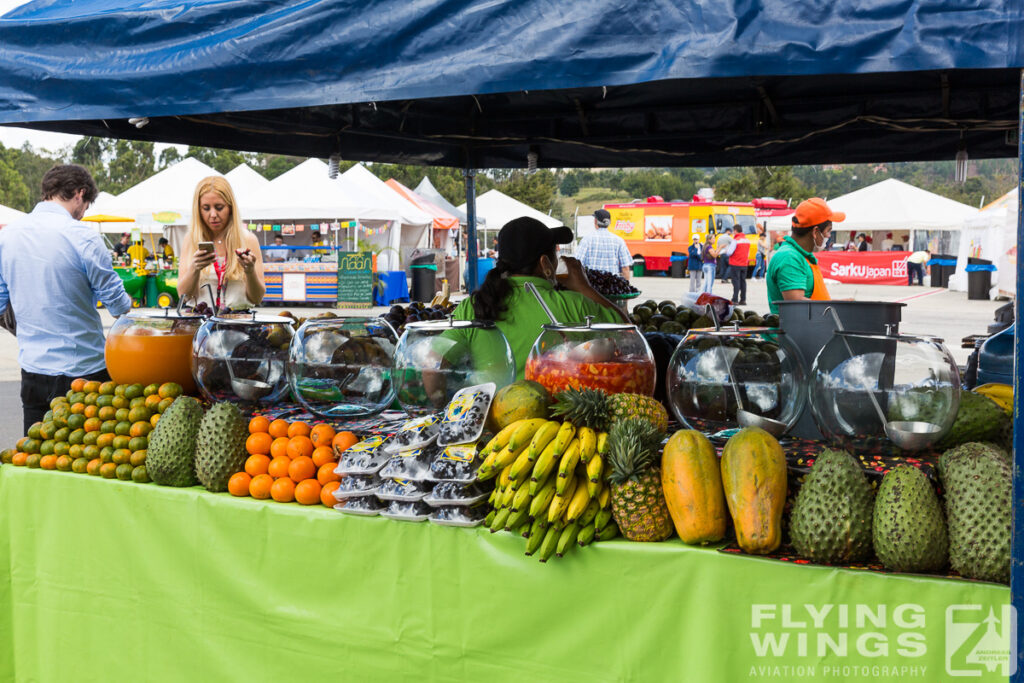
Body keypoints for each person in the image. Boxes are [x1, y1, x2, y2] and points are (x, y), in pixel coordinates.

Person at [0, 164, 132, 432]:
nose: (83, 215)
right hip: (84, 369)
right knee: (88, 462)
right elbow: (118, 305)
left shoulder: (7, 236)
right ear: (79, 194)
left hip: (33, 369)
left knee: (35, 458)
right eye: (85, 207)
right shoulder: (83, 236)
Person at [452, 216, 628, 378]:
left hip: (490, 409)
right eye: (556, 255)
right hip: (554, 411)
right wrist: (584, 287)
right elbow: (628, 334)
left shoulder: (471, 306)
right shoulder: (575, 304)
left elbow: (434, 363)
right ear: (545, 263)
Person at [177, 176, 265, 310]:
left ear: (230, 208)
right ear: (198, 210)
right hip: (200, 322)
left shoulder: (248, 240)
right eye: (206, 208)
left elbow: (257, 298)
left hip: (239, 324)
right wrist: (194, 268)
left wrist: (250, 271)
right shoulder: (190, 239)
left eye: (219, 207)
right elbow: (183, 295)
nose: (213, 214)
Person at [765, 197, 846, 315]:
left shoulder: (801, 256)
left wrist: (840, 305)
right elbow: (797, 305)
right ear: (815, 232)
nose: (829, 236)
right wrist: (839, 308)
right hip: (794, 332)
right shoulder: (790, 258)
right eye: (828, 231)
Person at [575, 209, 632, 279]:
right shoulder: (619, 241)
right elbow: (625, 268)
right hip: (612, 286)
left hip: (591, 286)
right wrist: (625, 287)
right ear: (609, 222)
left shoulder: (586, 240)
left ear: (595, 221)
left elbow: (576, 264)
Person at [721, 226, 750, 305]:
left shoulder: (735, 241)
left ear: (736, 231)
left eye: (733, 231)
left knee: (736, 281)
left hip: (735, 263)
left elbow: (730, 252)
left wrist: (726, 251)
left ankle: (735, 299)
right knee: (743, 281)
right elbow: (748, 253)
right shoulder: (747, 240)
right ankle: (743, 299)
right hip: (744, 264)